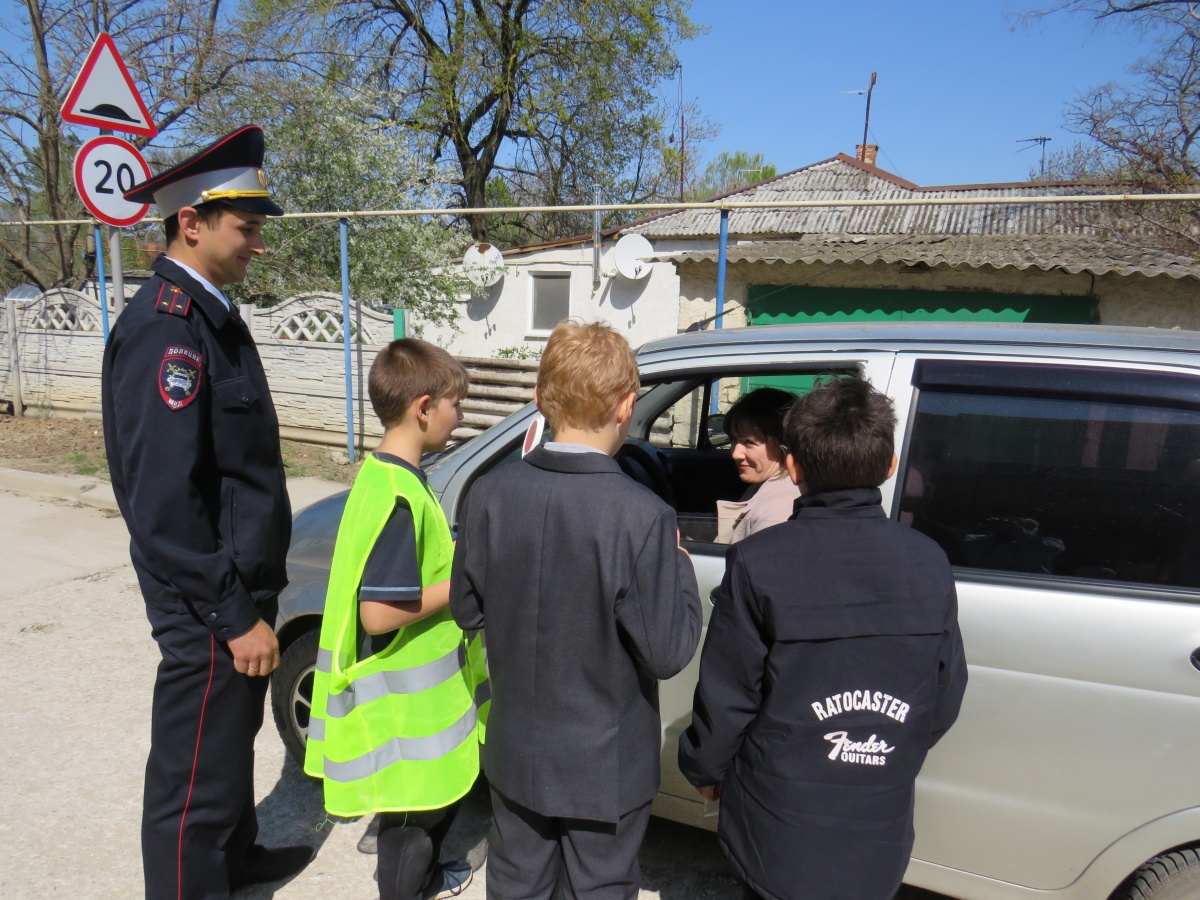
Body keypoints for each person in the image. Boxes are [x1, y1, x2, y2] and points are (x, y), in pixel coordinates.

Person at [103, 125, 314, 898]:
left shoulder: (208, 314)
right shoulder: (168, 330)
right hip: (207, 600)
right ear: (190, 221)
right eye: (246, 227)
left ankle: (236, 860)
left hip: (237, 582)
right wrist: (233, 615)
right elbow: (161, 505)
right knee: (192, 773)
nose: (258, 242)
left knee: (228, 744)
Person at [678, 375, 968, 900]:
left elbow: (728, 694)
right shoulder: (929, 562)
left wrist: (703, 765)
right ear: (889, 465)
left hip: (777, 825)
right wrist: (886, 754)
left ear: (793, 466)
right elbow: (944, 693)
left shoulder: (760, 562)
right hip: (878, 824)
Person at [449, 320, 702, 900]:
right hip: (604, 768)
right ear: (626, 405)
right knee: (601, 887)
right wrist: (680, 565)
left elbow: (467, 610)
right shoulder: (643, 517)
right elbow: (668, 652)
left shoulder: (489, 493)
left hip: (516, 750)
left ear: (539, 399)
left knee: (516, 883)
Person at [304, 339, 481, 900]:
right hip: (403, 709)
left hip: (410, 703)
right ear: (424, 407)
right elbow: (378, 612)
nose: (460, 416)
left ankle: (426, 878)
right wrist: (458, 586)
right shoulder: (399, 496)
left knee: (427, 808)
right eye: (456, 404)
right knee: (412, 823)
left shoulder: (383, 477)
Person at [716, 387, 801, 543]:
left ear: (782, 445)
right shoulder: (767, 486)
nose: (735, 453)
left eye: (749, 442)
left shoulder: (777, 511)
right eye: (734, 440)